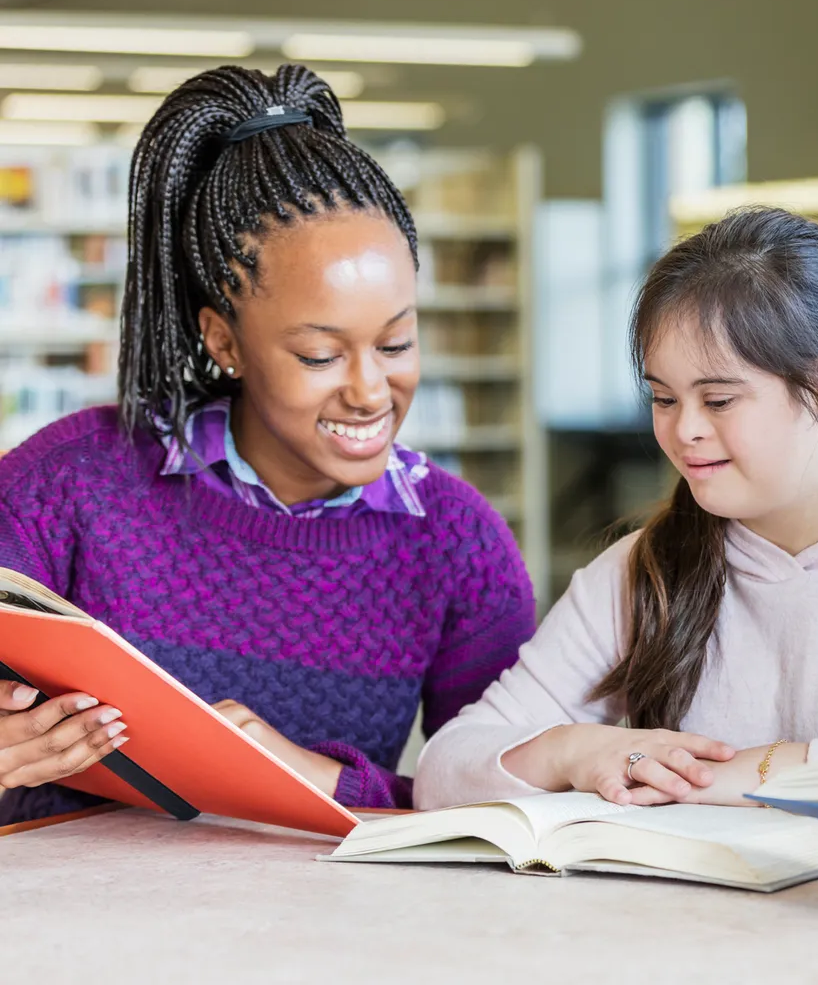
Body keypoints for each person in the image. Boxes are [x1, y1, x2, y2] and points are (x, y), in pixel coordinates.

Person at [0, 65, 535, 822]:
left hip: (311, 933)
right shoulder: (65, 485)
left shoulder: (458, 544)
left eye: (397, 343)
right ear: (223, 340)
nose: (370, 391)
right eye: (320, 356)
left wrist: (318, 778)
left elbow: (501, 810)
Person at [415, 207, 818, 810]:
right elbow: (445, 767)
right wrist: (577, 749)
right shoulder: (651, 565)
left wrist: (758, 772)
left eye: (719, 400)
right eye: (664, 399)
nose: (683, 431)